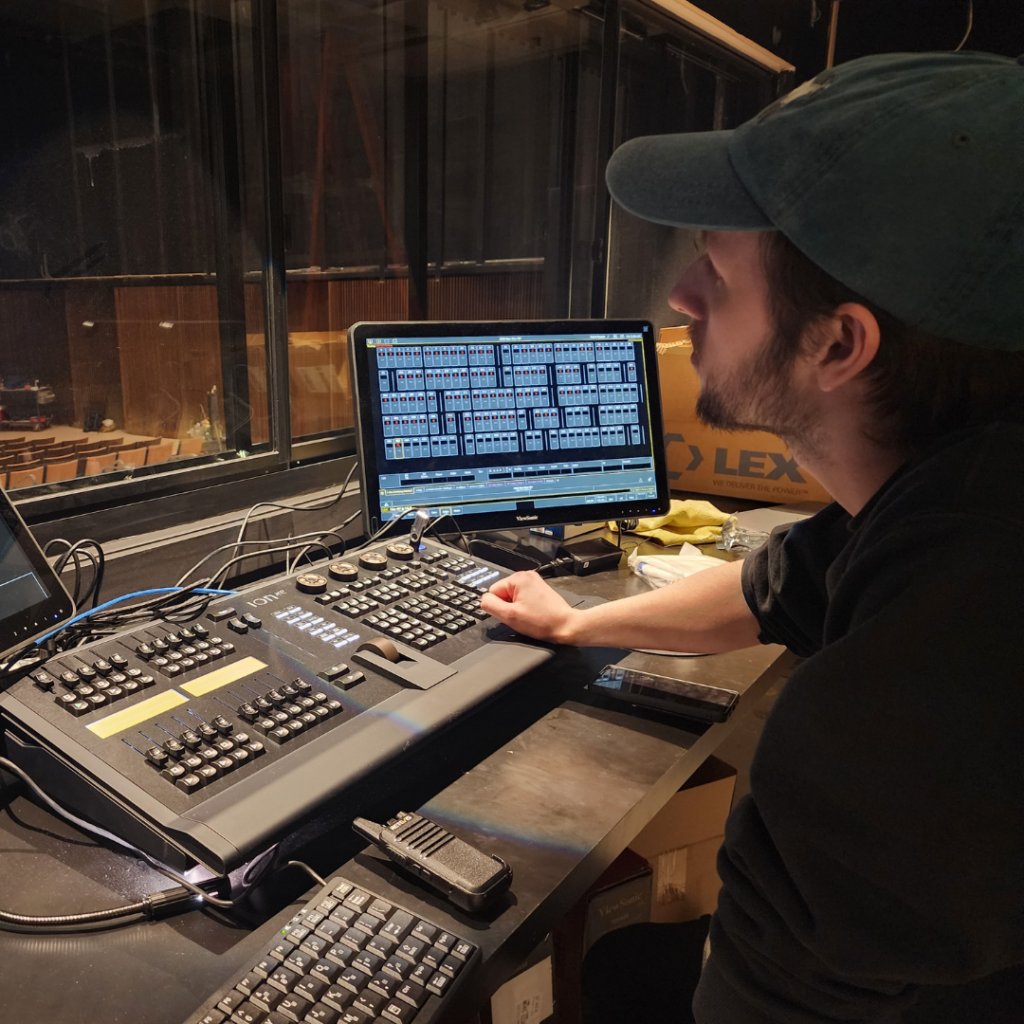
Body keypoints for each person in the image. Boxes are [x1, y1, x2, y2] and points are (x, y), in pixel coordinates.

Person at [479, 51, 1024, 1023]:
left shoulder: (905, 709)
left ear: (837, 344)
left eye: (719, 270)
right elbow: (777, 584)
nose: (682, 295)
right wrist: (578, 626)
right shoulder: (952, 497)